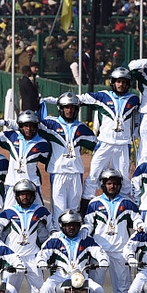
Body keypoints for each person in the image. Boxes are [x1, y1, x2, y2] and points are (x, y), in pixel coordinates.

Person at [36, 210, 109, 293]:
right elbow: (42, 254)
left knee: (98, 290)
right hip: (59, 276)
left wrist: (103, 261)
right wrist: (42, 263)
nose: (71, 228)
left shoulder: (86, 239)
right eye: (68, 225)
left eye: (75, 225)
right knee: (46, 289)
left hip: (81, 276)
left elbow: (100, 252)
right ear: (62, 226)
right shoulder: (54, 239)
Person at [83, 168, 141, 293]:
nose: (112, 186)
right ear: (103, 185)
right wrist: (84, 231)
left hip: (120, 249)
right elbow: (88, 223)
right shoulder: (94, 203)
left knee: (124, 285)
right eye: (109, 183)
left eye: (115, 184)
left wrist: (140, 226)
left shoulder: (127, 203)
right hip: (99, 250)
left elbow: (136, 219)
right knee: (94, 286)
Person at [78, 67, 141, 208]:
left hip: (123, 145)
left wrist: (136, 129)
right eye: (118, 81)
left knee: (124, 178)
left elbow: (137, 115)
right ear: (112, 82)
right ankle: (85, 208)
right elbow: (79, 99)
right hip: (104, 143)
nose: (121, 85)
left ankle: (124, 209)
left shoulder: (134, 99)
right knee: (93, 175)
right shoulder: (103, 96)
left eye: (124, 82)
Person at [0, 179, 51, 293]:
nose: (25, 197)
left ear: (33, 195)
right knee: (9, 292)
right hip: (12, 258)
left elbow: (52, 228)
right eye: (22, 194)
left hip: (33, 257)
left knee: (40, 291)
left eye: (28, 194)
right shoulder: (8, 212)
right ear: (16, 195)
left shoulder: (41, 211)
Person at [38, 92, 96, 221]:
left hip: (76, 173)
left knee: (73, 211)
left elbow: (97, 145)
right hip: (58, 173)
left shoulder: (82, 128)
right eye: (66, 107)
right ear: (60, 108)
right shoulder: (50, 124)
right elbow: (33, 126)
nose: (70, 110)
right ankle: (58, 239)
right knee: (59, 211)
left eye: (73, 107)